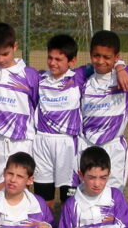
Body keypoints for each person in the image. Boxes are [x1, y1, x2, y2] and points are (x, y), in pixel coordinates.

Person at [0, 23, 40, 194]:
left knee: (20, 195)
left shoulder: (30, 75)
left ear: (15, 46)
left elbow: (35, 103)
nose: (0, 60)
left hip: (20, 143)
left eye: (5, 54)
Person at [78, 30, 128, 191]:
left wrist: (120, 68)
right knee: (87, 193)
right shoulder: (83, 76)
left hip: (114, 147)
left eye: (107, 57)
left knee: (114, 195)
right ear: (90, 54)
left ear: (116, 57)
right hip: (86, 145)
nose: (100, 61)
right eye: (96, 56)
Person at [33, 34, 87, 211]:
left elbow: (104, 64)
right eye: (50, 58)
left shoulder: (79, 77)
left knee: (68, 201)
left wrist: (120, 67)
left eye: (58, 59)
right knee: (44, 200)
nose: (52, 63)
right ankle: (46, 227)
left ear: (72, 61)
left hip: (68, 144)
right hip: (42, 143)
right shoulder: (39, 78)